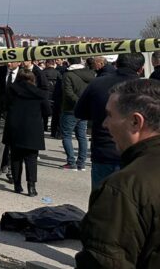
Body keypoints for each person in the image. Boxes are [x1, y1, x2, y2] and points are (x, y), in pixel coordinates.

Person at [75, 79, 160, 268]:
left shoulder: (123, 188)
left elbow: (104, 261)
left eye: (109, 115)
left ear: (135, 122)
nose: (104, 124)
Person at [75, 53, 144, 188]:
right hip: (136, 154)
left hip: (104, 150)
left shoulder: (98, 83)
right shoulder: (147, 89)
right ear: (141, 69)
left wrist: (100, 114)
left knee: (102, 197)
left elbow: (80, 112)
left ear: (116, 65)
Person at [5, 69, 50, 196]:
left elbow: (5, 106)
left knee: (15, 157)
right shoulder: (39, 93)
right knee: (31, 158)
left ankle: (17, 185)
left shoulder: (11, 90)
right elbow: (47, 111)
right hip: (32, 128)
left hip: (15, 127)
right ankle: (31, 187)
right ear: (33, 79)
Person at [60, 57, 93, 171]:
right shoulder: (90, 74)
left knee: (67, 135)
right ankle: (81, 163)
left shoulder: (68, 75)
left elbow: (68, 92)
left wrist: (78, 102)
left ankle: (71, 162)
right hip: (84, 109)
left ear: (69, 62)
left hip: (70, 109)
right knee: (82, 136)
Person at [40, 59, 60, 133]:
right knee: (55, 113)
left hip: (45, 94)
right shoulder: (57, 72)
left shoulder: (42, 72)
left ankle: (44, 126)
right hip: (55, 94)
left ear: (47, 63)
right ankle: (53, 129)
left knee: (44, 111)